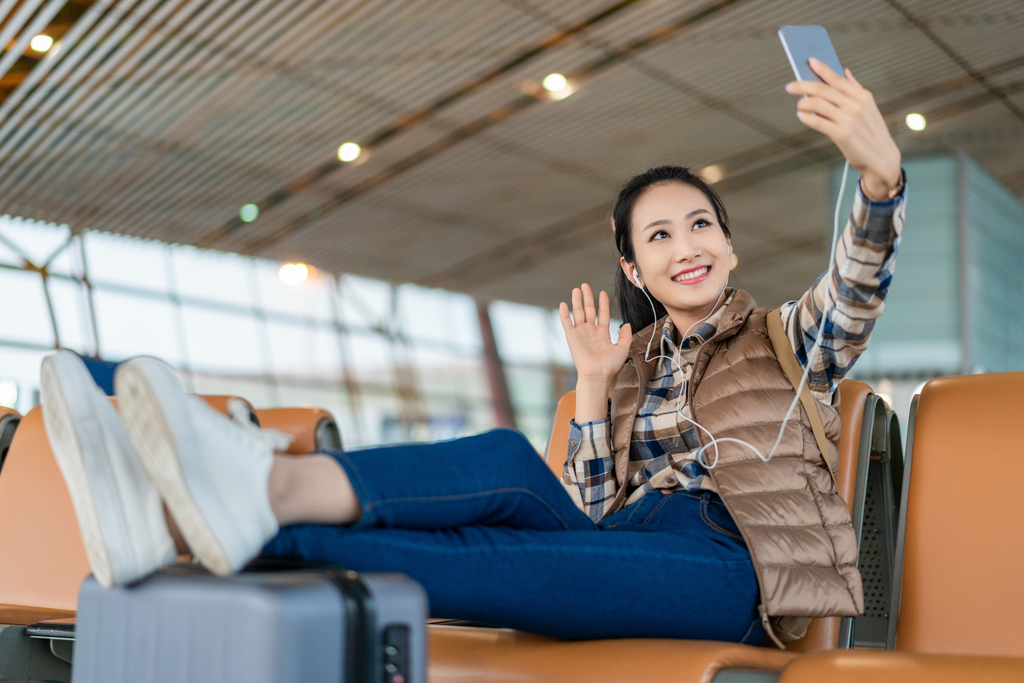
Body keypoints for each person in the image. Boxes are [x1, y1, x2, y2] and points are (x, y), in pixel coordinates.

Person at [40, 59, 903, 645]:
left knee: (501, 559)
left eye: (703, 225)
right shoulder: (631, 363)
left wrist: (877, 181)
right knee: (504, 460)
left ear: (730, 247)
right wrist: (595, 387)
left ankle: (220, 503)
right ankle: (231, 504)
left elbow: (854, 291)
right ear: (633, 266)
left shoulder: (787, 340)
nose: (689, 245)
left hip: (727, 568)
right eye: (661, 234)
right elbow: (596, 511)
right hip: (631, 540)